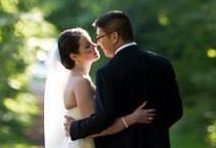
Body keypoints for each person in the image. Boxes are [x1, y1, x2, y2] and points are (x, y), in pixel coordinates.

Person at [65, 10, 183, 148]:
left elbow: (102, 120)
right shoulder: (162, 63)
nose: (98, 44)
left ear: (114, 36)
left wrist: (74, 128)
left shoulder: (108, 73)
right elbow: (176, 111)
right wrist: (154, 130)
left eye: (99, 37)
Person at [44, 28, 155, 148]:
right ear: (74, 56)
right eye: (87, 46)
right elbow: (94, 128)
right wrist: (131, 119)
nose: (95, 45)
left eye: (92, 42)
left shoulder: (79, 79)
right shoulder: (81, 82)